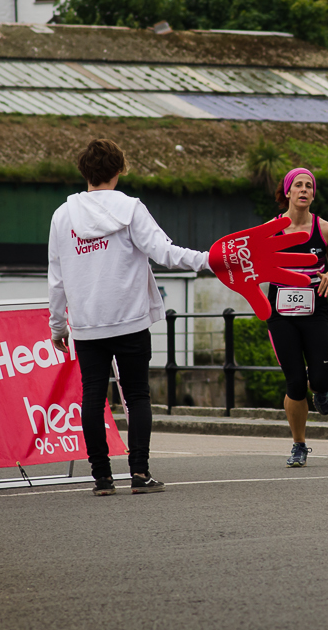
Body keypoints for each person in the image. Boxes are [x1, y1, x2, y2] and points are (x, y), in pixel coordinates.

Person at [49, 138, 211, 496]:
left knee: (92, 395)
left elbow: (56, 277)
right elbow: (165, 253)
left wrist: (57, 325)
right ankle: (139, 473)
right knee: (136, 395)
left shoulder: (62, 216)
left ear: (84, 171)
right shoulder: (131, 208)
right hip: (130, 319)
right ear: (119, 169)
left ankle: (102, 478)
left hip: (87, 322)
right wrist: (207, 259)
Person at [265, 168, 328, 468]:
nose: (304, 189)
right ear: (287, 192)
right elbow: (253, 266)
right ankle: (299, 444)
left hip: (314, 308)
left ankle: (323, 389)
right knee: (295, 382)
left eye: (309, 186)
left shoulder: (324, 230)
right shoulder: (269, 230)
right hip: (280, 312)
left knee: (320, 379)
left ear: (313, 194)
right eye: (298, 185)